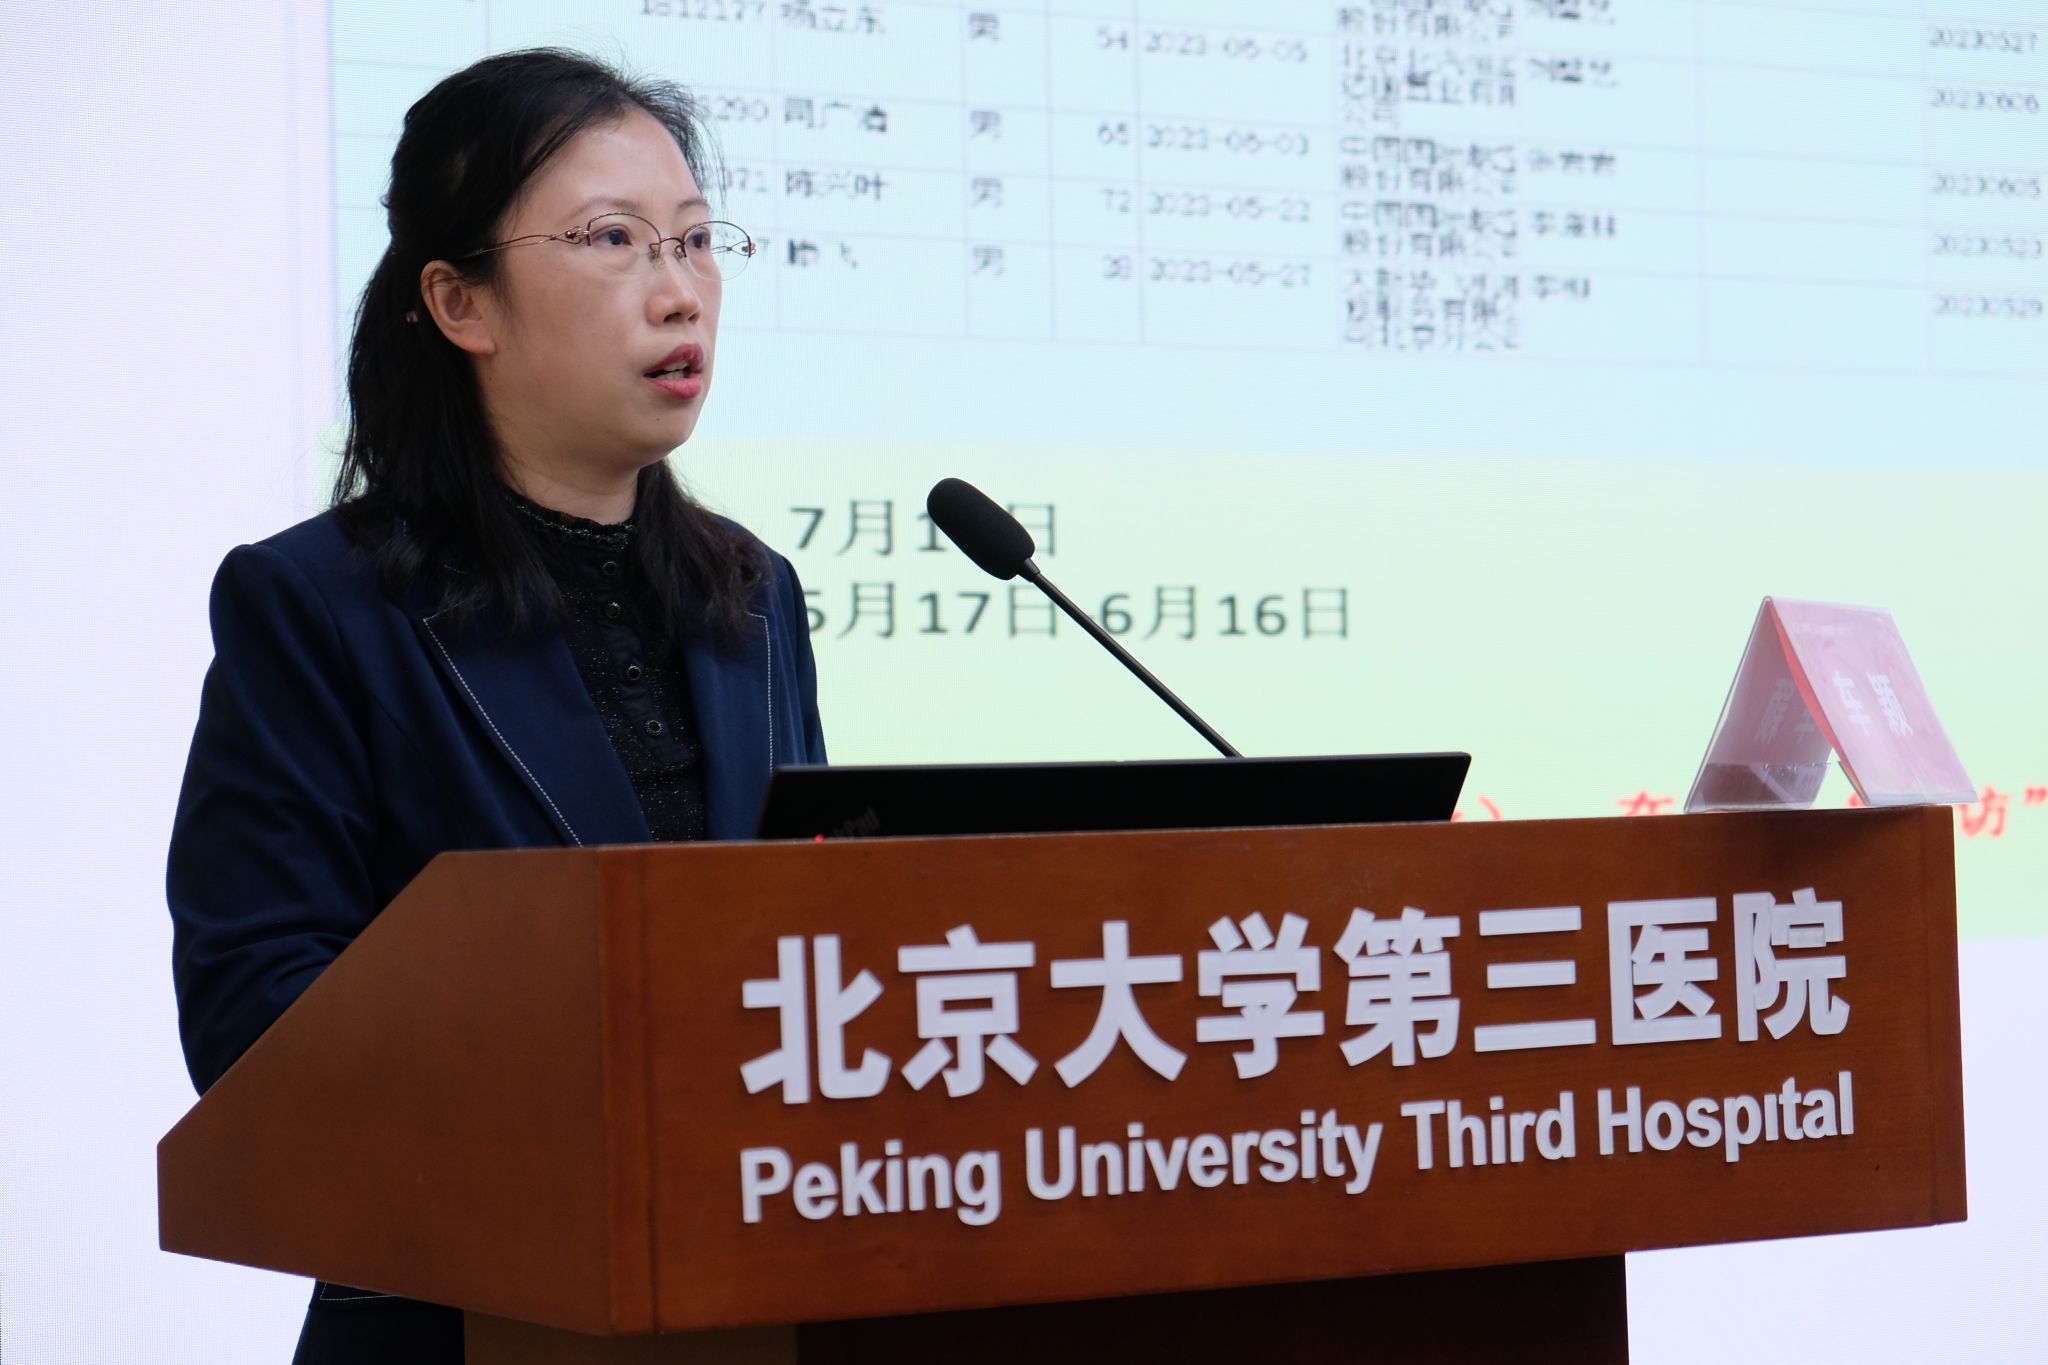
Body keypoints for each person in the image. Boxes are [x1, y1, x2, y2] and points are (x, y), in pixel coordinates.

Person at [164, 49, 824, 1364]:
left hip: (744, 1300)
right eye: (614, 239)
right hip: (462, 1315)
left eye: (697, 240)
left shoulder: (753, 593)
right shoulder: (319, 606)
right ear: (460, 301)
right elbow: (256, 1010)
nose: (680, 288)